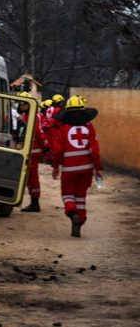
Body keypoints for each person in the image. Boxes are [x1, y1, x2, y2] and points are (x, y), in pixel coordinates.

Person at [50, 95, 102, 238]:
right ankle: (80, 219)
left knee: (67, 194)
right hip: (86, 168)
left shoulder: (63, 128)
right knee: (80, 195)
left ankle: (72, 213)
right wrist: (98, 169)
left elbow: (58, 150)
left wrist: (55, 166)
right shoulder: (89, 126)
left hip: (69, 168)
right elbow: (95, 151)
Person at [18, 92, 47, 212]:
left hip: (33, 150)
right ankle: (30, 201)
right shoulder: (26, 115)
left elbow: (39, 133)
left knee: (32, 177)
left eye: (24, 103)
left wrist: (45, 147)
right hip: (27, 150)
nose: (21, 106)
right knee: (28, 177)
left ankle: (35, 203)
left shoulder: (34, 116)